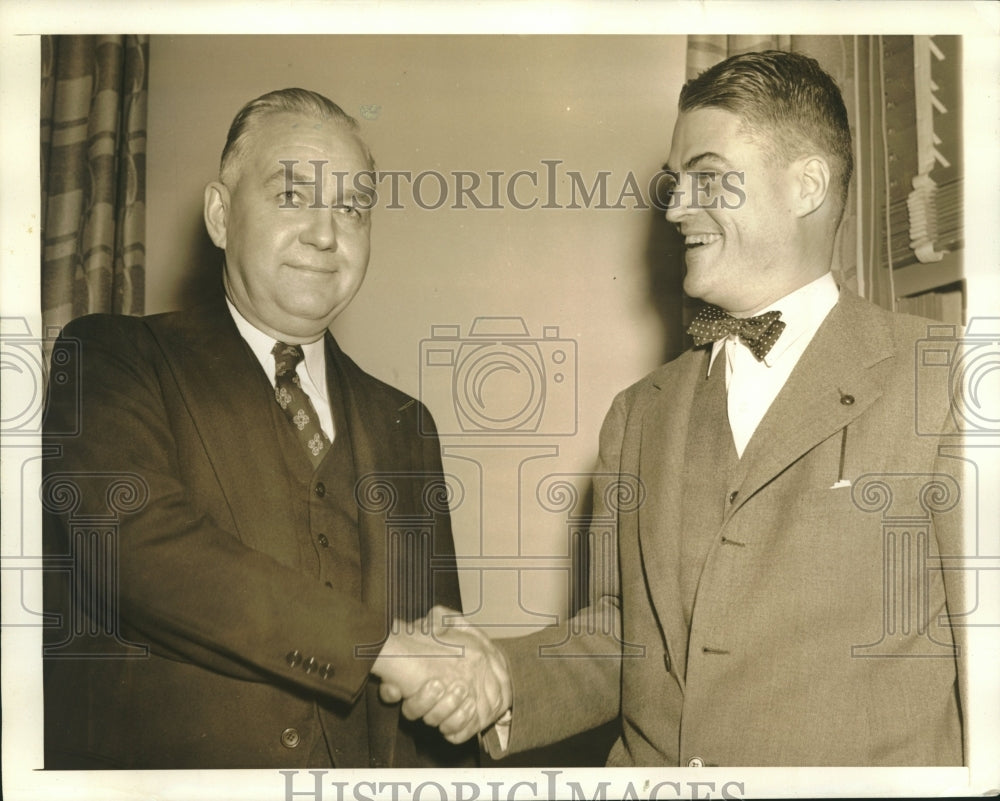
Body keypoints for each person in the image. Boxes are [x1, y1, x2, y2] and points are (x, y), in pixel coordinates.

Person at [393, 50, 968, 766]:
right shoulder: (638, 416)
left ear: (807, 185)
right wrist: (502, 678)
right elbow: (623, 639)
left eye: (707, 176)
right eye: (675, 180)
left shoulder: (947, 381)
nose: (674, 207)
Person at [41, 88, 506, 770]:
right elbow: (135, 552)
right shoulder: (112, 357)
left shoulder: (407, 425)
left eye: (352, 207)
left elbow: (438, 678)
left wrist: (470, 698)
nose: (326, 234)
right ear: (220, 215)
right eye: (293, 196)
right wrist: (381, 647)